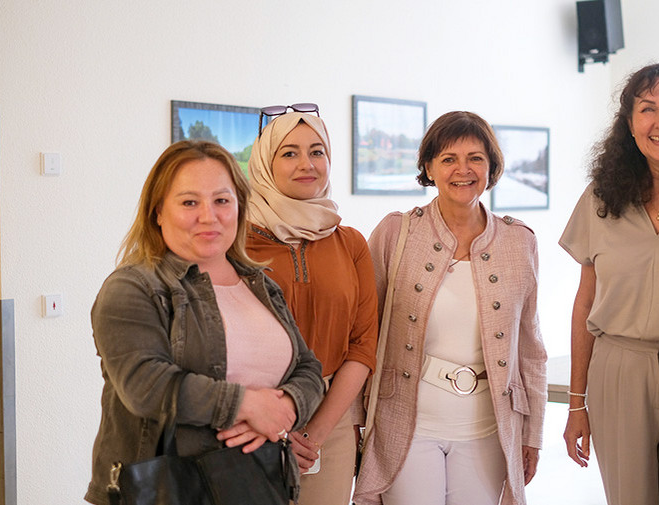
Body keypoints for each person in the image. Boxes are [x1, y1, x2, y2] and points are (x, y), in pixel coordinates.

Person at [84, 140, 324, 505]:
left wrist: (287, 407)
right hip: (169, 491)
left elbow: (307, 367)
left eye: (222, 201)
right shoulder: (133, 287)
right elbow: (145, 385)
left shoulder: (261, 284)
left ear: (240, 207)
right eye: (189, 202)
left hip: (261, 484)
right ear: (158, 212)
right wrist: (248, 406)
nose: (209, 216)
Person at [352, 111, 547, 505]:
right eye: (448, 159)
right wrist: (357, 417)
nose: (463, 170)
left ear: (491, 166)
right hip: (406, 426)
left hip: (488, 430)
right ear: (428, 167)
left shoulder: (518, 241)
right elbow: (362, 330)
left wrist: (533, 434)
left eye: (475, 157)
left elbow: (531, 346)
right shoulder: (395, 233)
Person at [559, 62, 659, 504]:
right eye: (647, 109)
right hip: (618, 369)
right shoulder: (601, 198)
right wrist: (577, 404)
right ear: (629, 124)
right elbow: (584, 303)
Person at [245, 104, 379, 504]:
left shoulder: (350, 243)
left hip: (331, 423)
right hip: (251, 417)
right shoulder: (236, 243)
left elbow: (362, 345)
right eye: (289, 153)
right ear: (266, 164)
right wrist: (271, 422)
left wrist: (315, 433)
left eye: (317, 151)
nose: (307, 163)